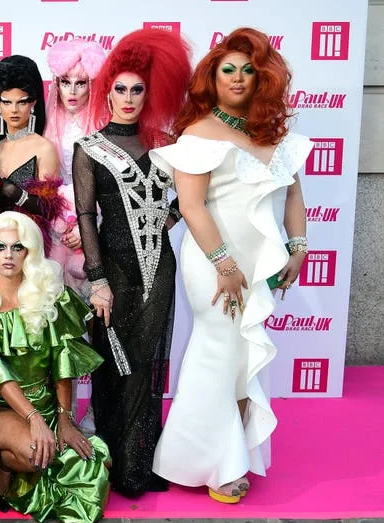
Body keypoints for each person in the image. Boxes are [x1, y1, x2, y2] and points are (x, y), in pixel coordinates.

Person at [149, 27, 312, 504]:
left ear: (262, 78)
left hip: (260, 265)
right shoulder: (198, 133)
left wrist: (298, 247)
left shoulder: (273, 134)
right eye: (228, 70)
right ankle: (209, 463)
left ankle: (232, 452)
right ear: (212, 78)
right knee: (217, 353)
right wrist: (224, 264)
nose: (238, 78)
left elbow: (293, 196)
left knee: (242, 359)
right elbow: (191, 206)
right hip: (213, 263)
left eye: (248, 70)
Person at [72, 27, 191, 498]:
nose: (127, 98)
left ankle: (139, 464)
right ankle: (112, 462)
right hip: (113, 271)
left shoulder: (167, 145)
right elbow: (86, 215)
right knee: (111, 364)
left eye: (137, 90)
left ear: (149, 93)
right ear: (107, 93)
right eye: (119, 89)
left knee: (145, 362)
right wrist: (97, 280)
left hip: (160, 269)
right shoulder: (89, 148)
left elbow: (195, 197)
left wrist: (169, 217)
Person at [0, 211, 110, 523]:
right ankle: (4, 464)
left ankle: (7, 466)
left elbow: (62, 362)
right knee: (35, 454)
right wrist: (34, 419)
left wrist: (64, 418)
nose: (8, 255)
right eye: (0, 247)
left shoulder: (51, 298)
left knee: (97, 462)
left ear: (30, 252)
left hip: (46, 405)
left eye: (18, 247)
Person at [43, 40, 107, 299]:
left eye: (80, 83)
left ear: (91, 86)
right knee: (57, 298)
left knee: (95, 301)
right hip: (55, 227)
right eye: (65, 82)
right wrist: (59, 224)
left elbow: (107, 185)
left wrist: (88, 228)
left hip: (96, 221)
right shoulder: (47, 125)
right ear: (56, 83)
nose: (72, 91)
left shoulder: (104, 125)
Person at [0, 55, 64, 240]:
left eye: (21, 102)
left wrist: (17, 194)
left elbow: (50, 210)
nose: (14, 109)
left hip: (30, 245)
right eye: (7, 102)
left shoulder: (44, 149)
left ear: (33, 103)